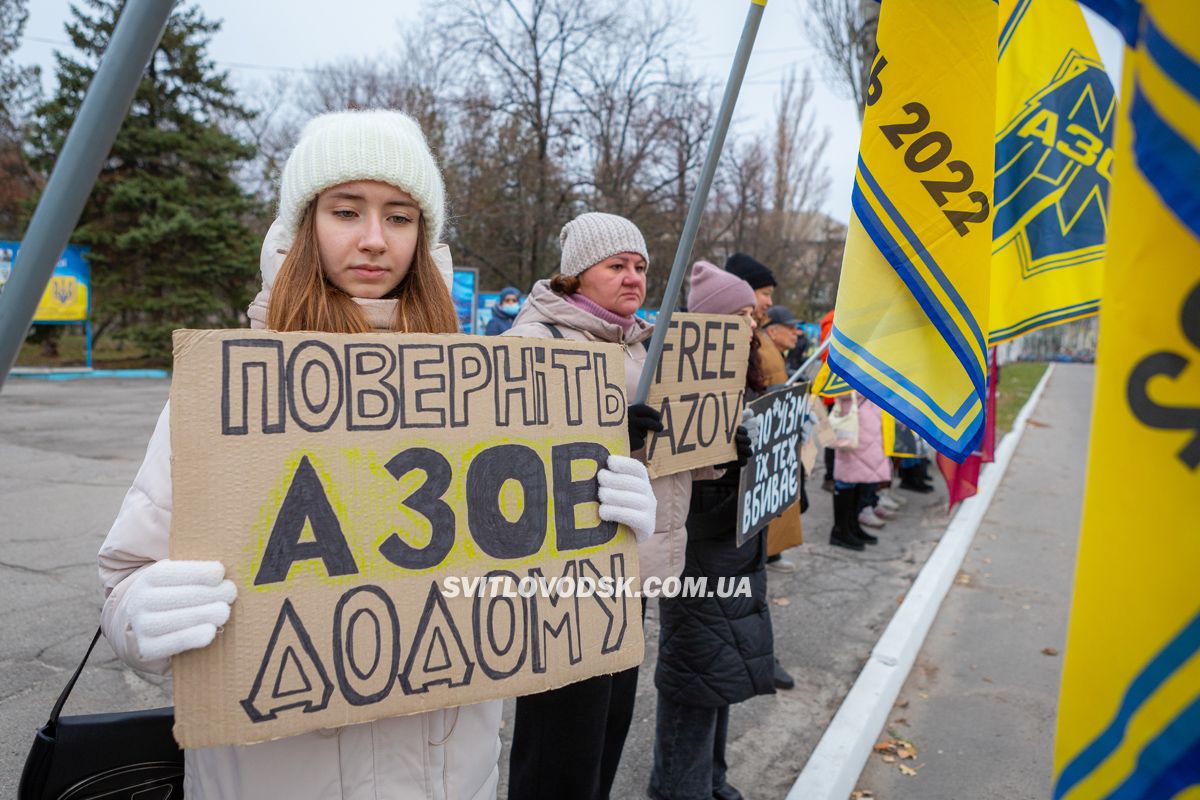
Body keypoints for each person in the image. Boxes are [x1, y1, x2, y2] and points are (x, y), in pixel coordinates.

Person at [96, 111, 658, 800]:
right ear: (305, 225)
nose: (372, 239)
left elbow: (523, 581)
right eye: (345, 210)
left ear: (423, 235)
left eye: (399, 216)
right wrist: (138, 615)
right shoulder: (226, 390)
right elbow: (125, 581)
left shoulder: (485, 388)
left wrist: (603, 526)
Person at [503, 212, 719, 800]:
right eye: (616, 265)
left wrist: (721, 440)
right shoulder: (535, 340)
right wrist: (603, 431)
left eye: (641, 266)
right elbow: (504, 460)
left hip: (632, 573)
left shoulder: (645, 347)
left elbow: (676, 453)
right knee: (557, 750)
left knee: (606, 733)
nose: (633, 278)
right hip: (562, 582)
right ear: (576, 276)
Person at [649, 262, 773, 800]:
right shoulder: (681, 384)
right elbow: (679, 495)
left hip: (734, 550)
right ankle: (679, 787)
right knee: (695, 678)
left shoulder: (740, 378)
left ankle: (711, 778)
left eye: (752, 313)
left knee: (719, 673)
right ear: (708, 323)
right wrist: (729, 468)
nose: (751, 323)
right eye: (739, 313)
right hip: (698, 555)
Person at [723, 255, 798, 691]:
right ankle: (754, 656)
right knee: (733, 595)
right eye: (762, 295)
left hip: (761, 476)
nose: (767, 307)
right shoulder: (741, 346)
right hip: (740, 486)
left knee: (751, 587)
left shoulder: (758, 345)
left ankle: (758, 654)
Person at [829, 391, 891, 550]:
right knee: (847, 478)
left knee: (861, 477)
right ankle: (840, 530)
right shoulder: (848, 366)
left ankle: (853, 525)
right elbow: (836, 388)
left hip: (869, 419)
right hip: (853, 420)